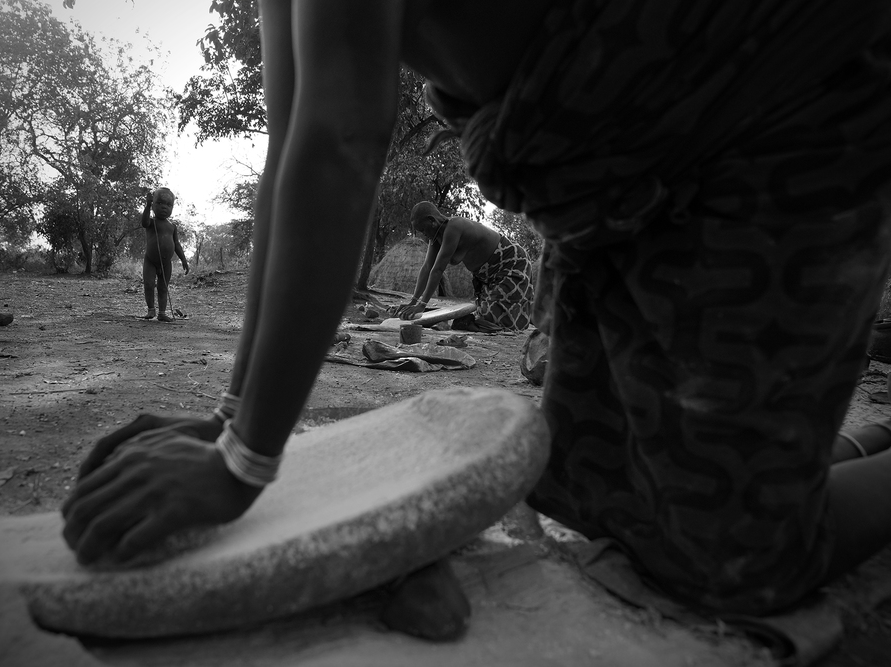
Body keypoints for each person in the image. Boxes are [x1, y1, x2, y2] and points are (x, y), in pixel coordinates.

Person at [63, 0, 891, 619]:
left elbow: (343, 139)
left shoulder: (461, 229)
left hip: (772, 100)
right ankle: (836, 447)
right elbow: (293, 142)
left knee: (729, 559)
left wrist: (245, 461)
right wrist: (231, 415)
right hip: (605, 167)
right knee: (573, 481)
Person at [393, 201, 533, 331]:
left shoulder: (454, 226)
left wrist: (422, 305)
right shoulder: (435, 237)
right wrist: (413, 301)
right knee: (484, 316)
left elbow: (438, 269)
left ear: (432, 221)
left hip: (511, 263)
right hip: (489, 276)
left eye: (423, 230)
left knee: (496, 321)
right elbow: (427, 268)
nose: (424, 235)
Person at [141, 187, 189, 322]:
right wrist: (147, 205)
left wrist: (184, 260)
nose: (164, 207)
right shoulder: (152, 222)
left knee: (163, 287)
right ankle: (151, 310)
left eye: (169, 205)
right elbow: (144, 223)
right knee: (149, 284)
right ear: (154, 204)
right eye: (160, 203)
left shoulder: (172, 226)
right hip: (150, 260)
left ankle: (162, 313)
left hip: (166, 263)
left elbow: (177, 245)